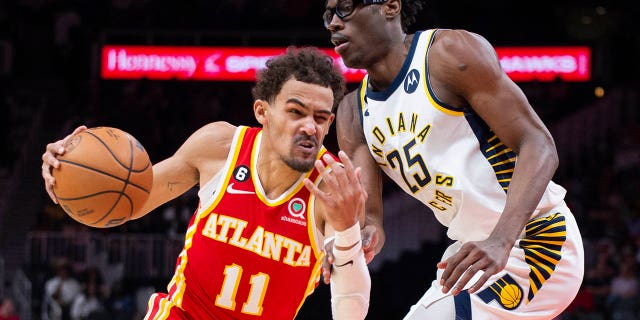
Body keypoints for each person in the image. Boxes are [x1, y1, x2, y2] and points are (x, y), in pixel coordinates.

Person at [41, 47, 371, 319]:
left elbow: (351, 306)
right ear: (262, 111)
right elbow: (132, 201)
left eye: (320, 117)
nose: (309, 127)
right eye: (296, 112)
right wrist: (66, 173)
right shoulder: (220, 147)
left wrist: (347, 234)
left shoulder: (332, 189)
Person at [322, 0, 585, 319]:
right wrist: (361, 237)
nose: (333, 23)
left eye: (345, 8)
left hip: (535, 240)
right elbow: (372, 218)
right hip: (470, 252)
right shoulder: (352, 112)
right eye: (328, 13)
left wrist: (500, 241)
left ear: (390, 6)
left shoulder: (447, 53)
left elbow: (539, 145)